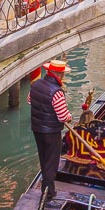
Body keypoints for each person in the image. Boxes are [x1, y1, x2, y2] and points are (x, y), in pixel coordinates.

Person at [28, 60, 73, 202]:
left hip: (37, 129)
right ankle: (48, 193)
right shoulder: (57, 92)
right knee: (52, 163)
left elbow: (30, 101)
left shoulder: (36, 85)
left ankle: (46, 190)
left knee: (43, 158)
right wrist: (69, 117)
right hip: (51, 132)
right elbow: (62, 117)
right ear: (59, 74)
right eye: (63, 74)